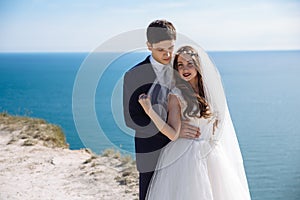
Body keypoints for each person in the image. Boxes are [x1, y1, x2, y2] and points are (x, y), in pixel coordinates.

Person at [138, 46, 251, 199]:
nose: (185, 69)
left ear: (198, 65)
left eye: (190, 64)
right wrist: (149, 111)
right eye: (180, 65)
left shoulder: (209, 92)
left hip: (212, 155)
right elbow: (172, 134)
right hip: (186, 156)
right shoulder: (176, 95)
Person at [123, 20, 200, 200]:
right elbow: (132, 119)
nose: (167, 54)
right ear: (149, 46)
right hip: (151, 152)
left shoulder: (182, 66)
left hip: (185, 153)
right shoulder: (134, 75)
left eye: (171, 48)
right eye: (160, 50)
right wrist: (173, 131)